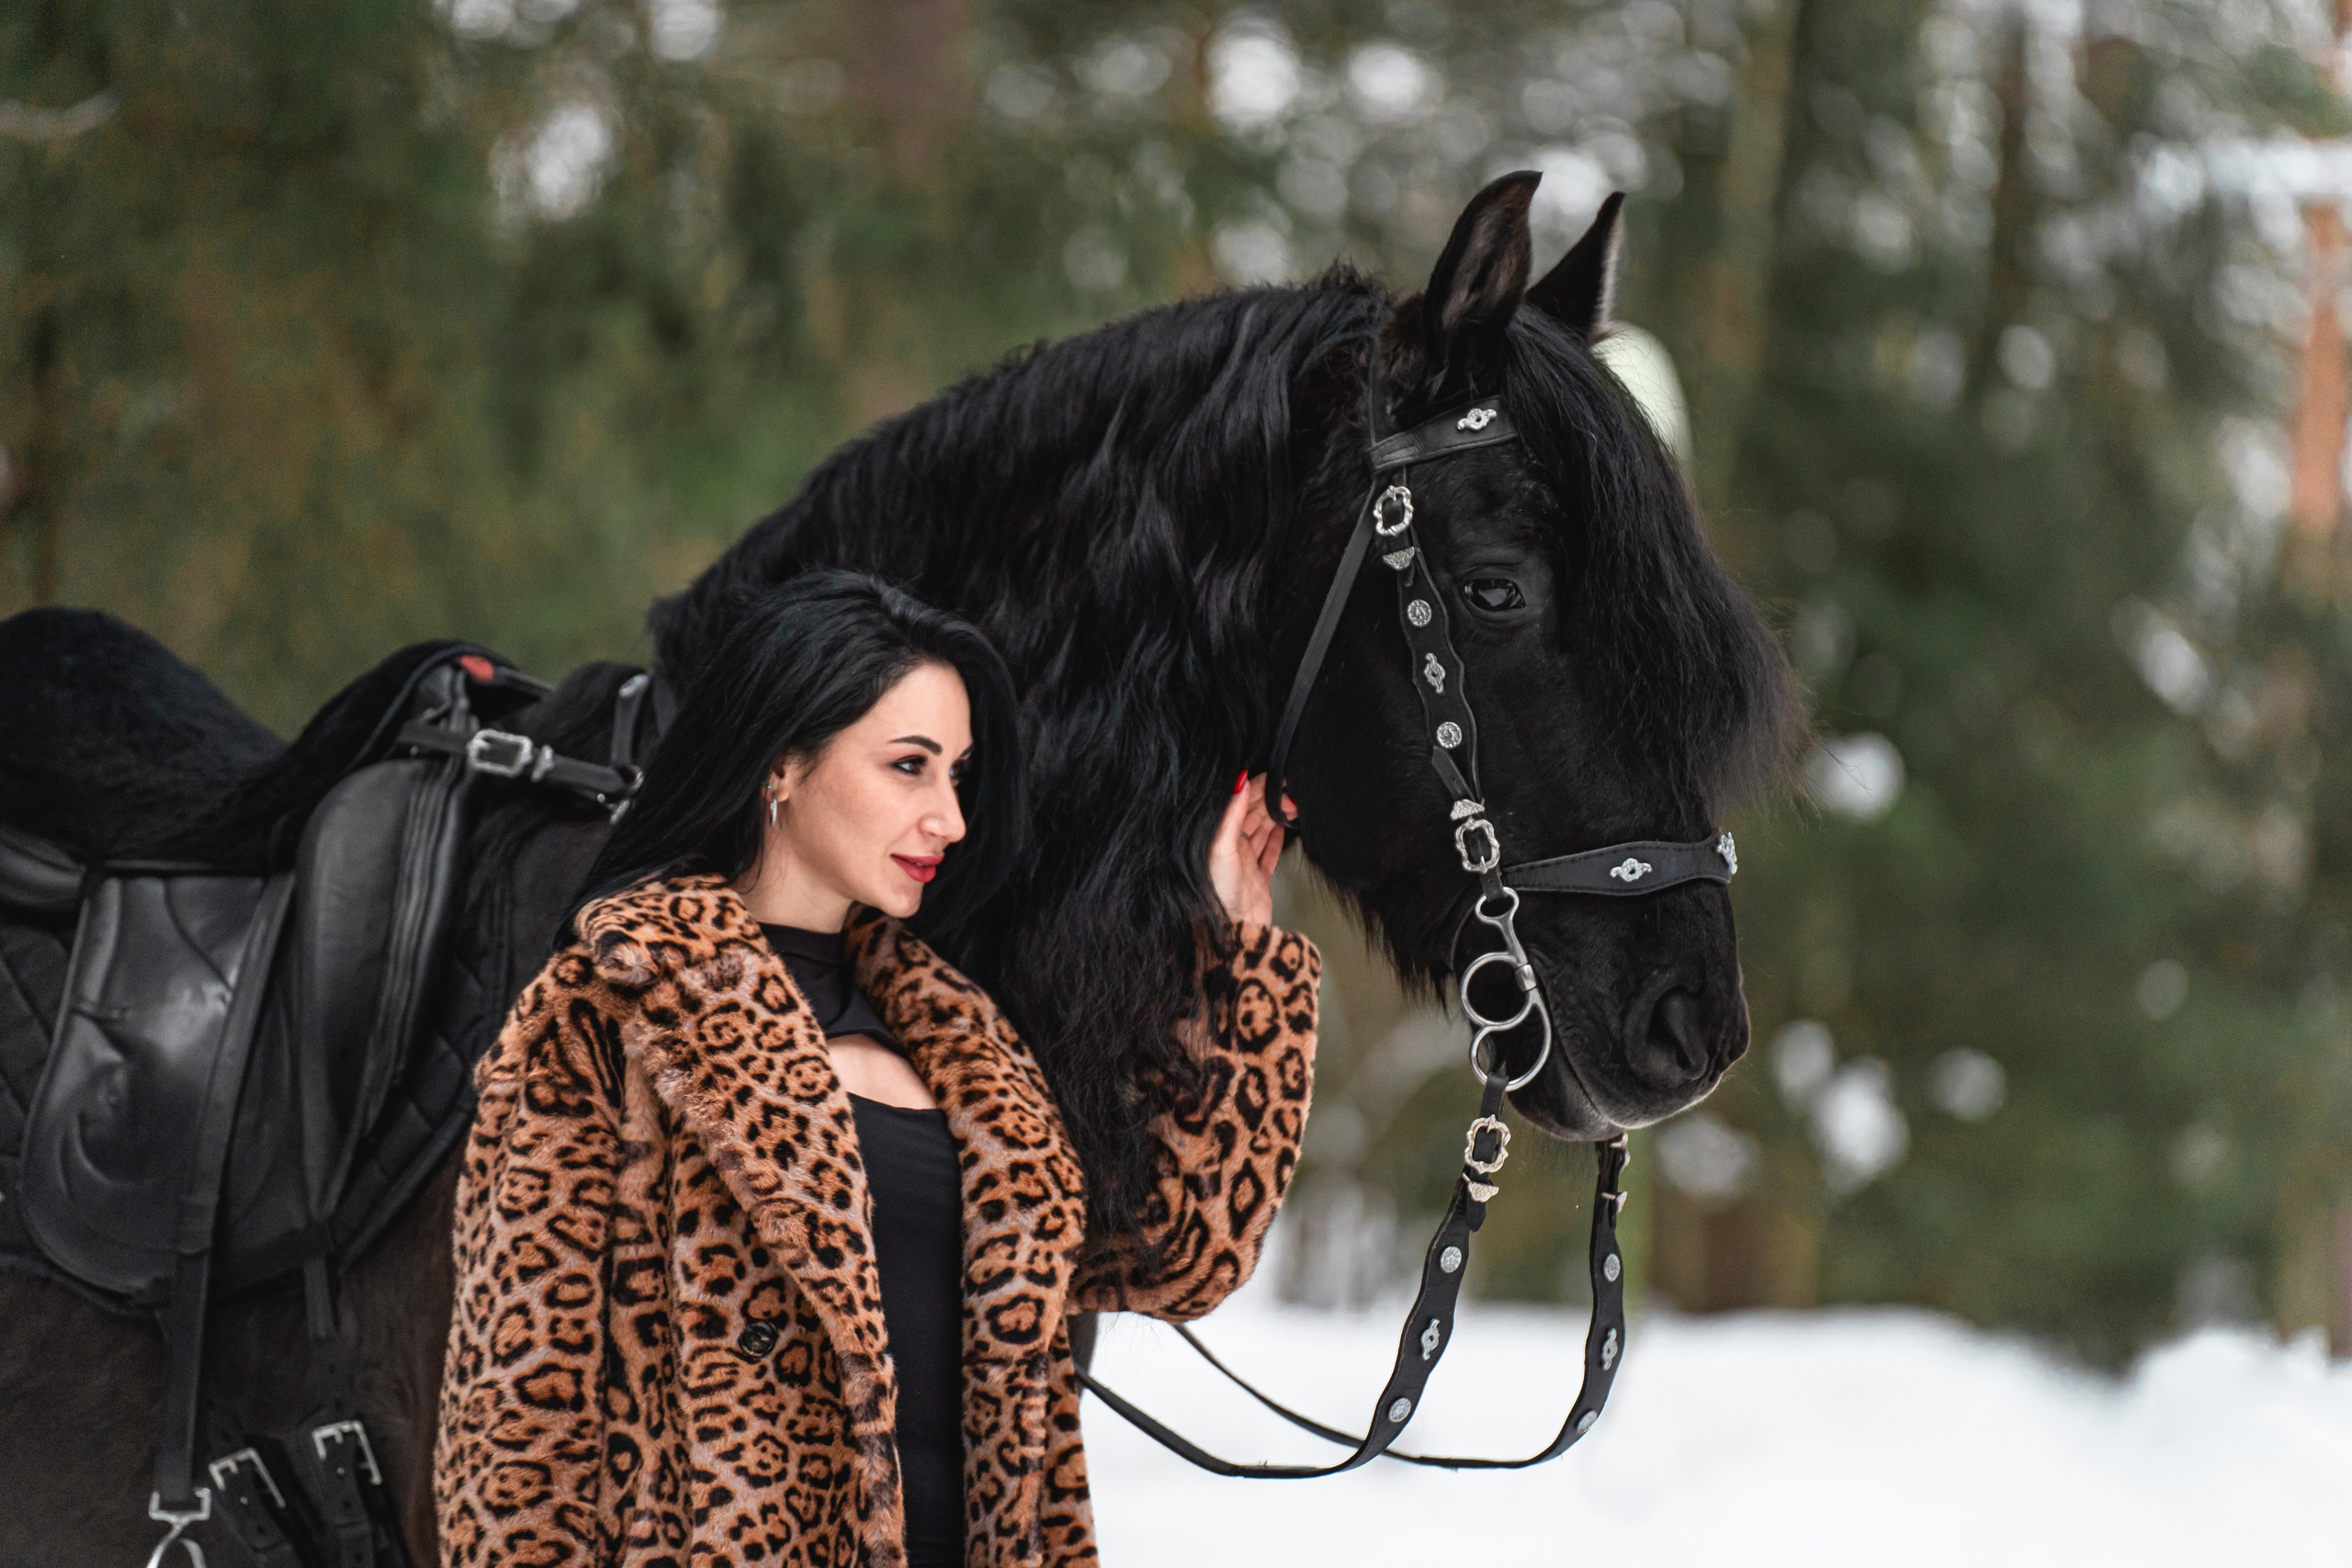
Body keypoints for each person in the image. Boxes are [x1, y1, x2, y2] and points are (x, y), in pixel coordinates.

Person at [432, 570, 1319, 1568]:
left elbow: (1176, 1258)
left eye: (957, 774)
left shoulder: (968, 1047)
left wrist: (1237, 966)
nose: (950, 818)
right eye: (909, 767)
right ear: (781, 765)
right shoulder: (608, 1013)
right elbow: (515, 1446)